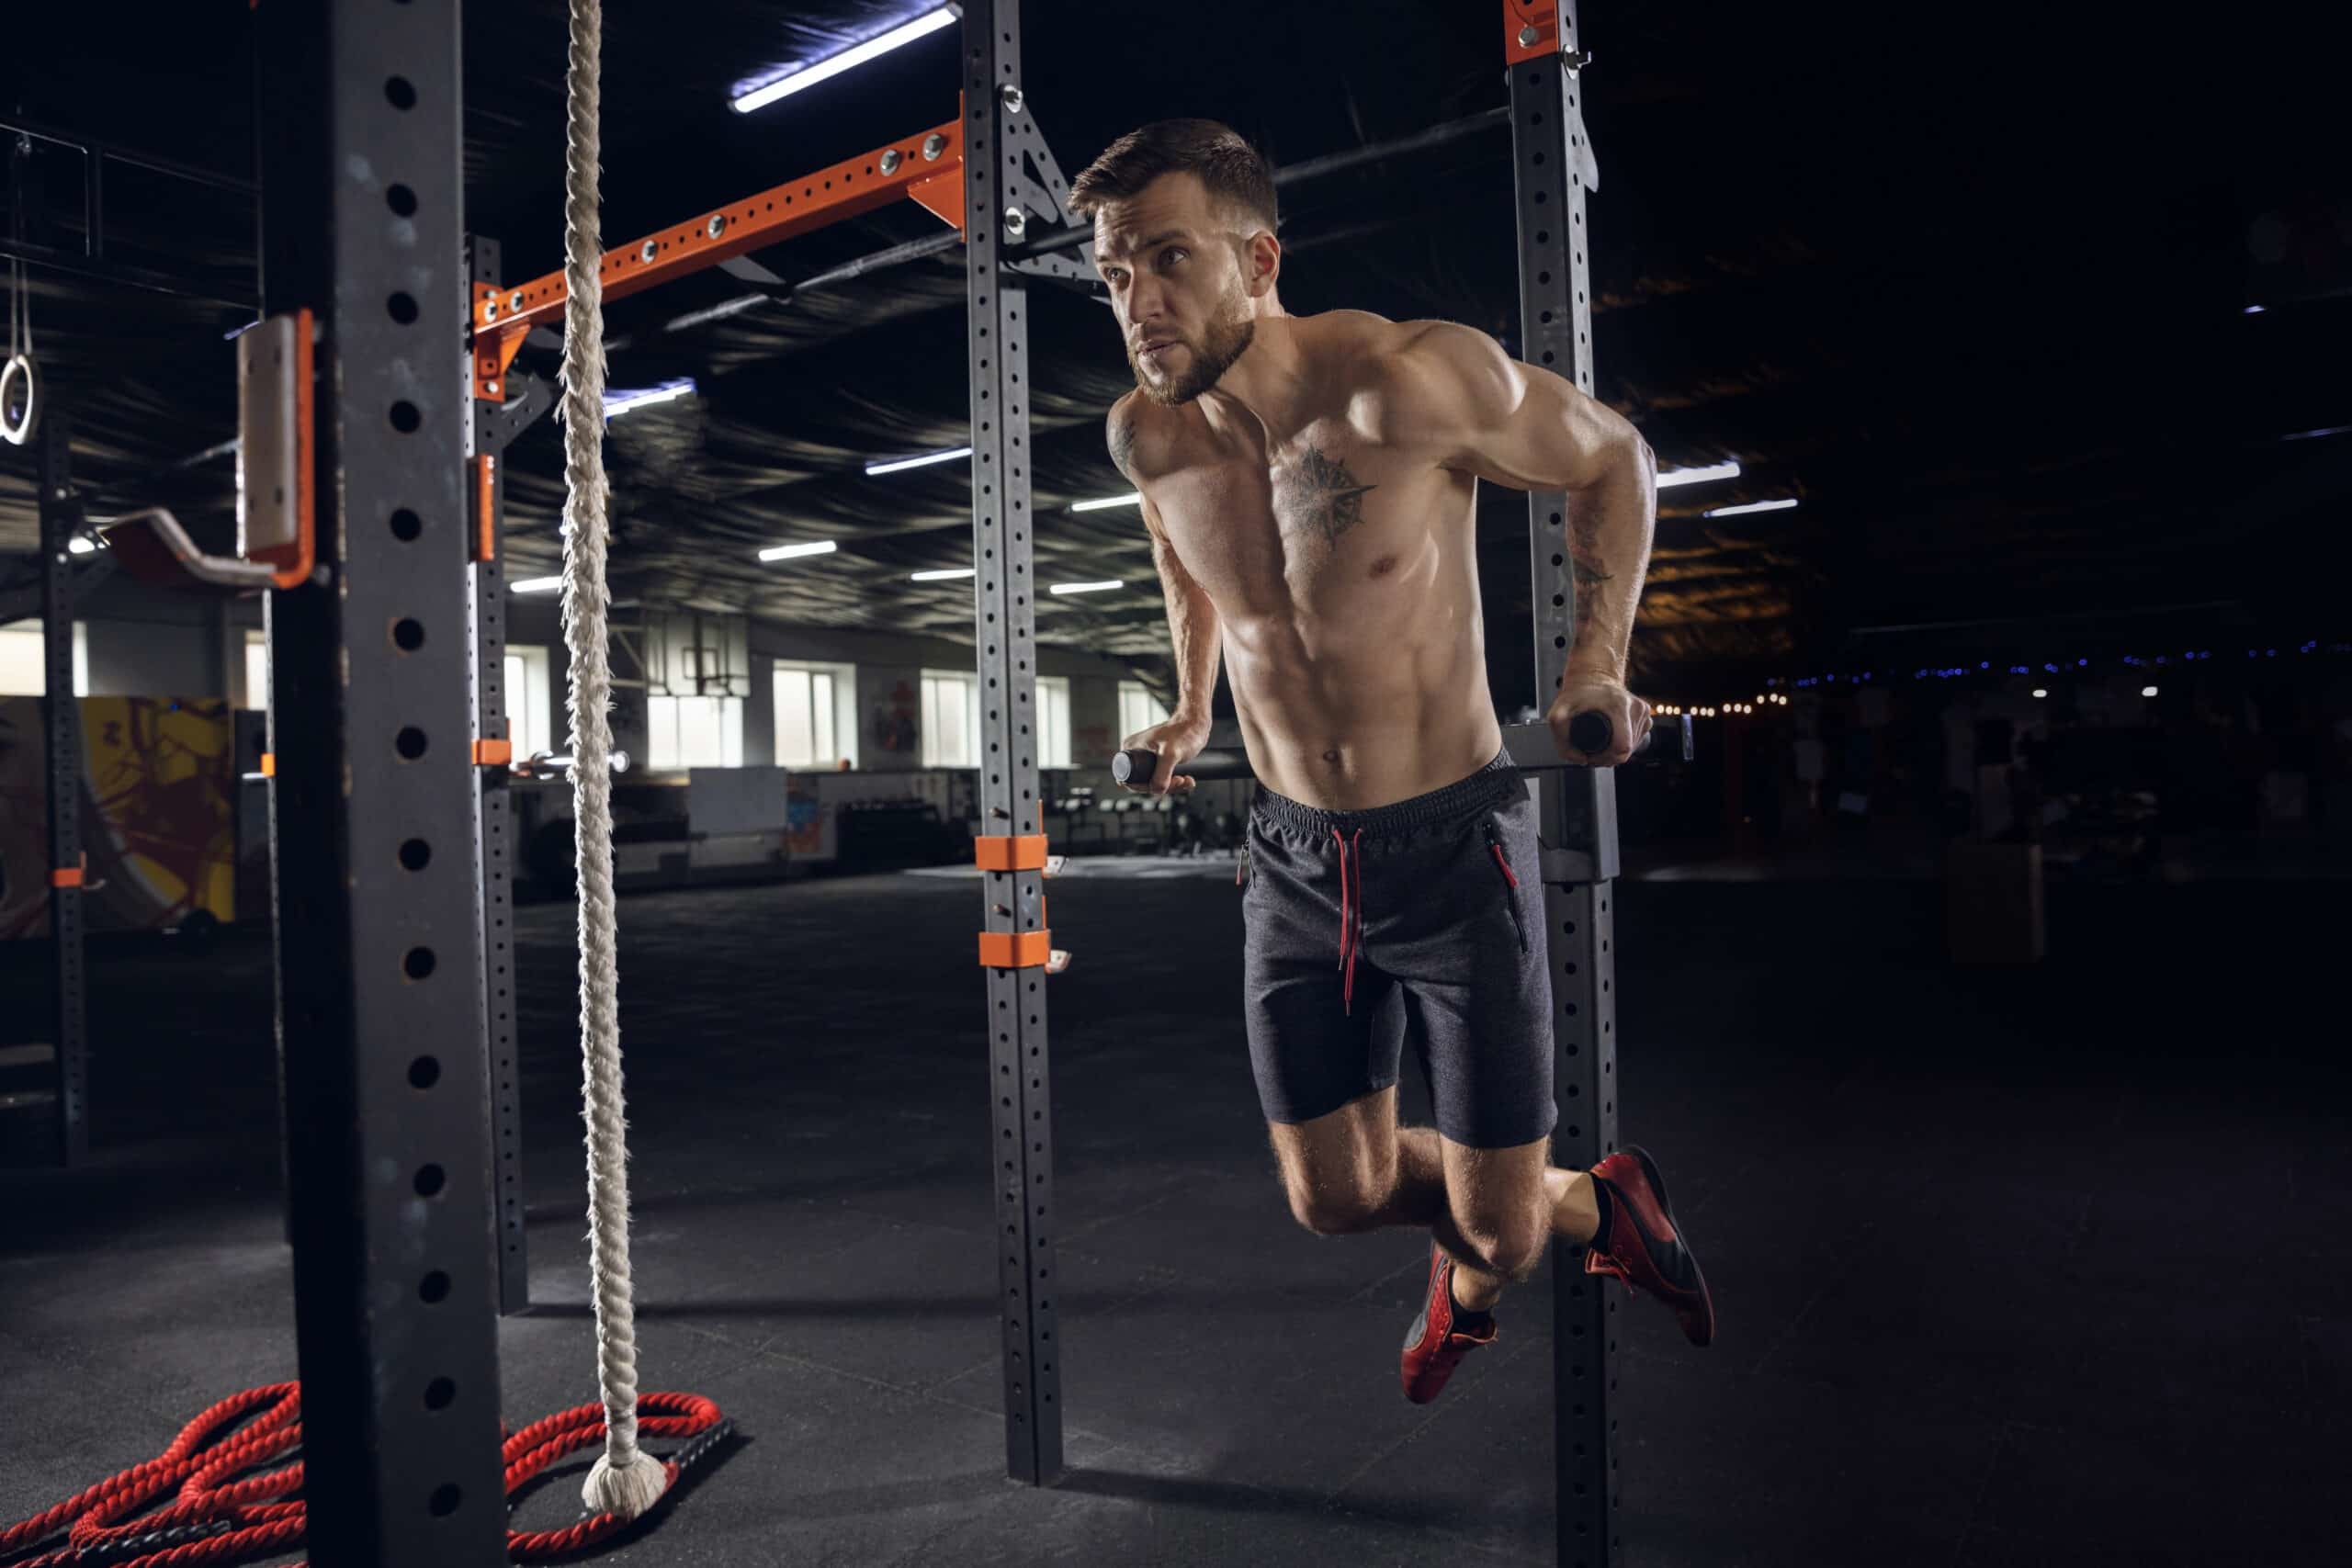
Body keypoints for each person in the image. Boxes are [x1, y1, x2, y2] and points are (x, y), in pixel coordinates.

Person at [1074, 119, 1714, 1404]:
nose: (1138, 302)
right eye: (1114, 275)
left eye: (1169, 260)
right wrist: (1191, 707)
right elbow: (1181, 559)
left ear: (1260, 262)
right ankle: (1587, 1206)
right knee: (1335, 1199)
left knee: (1505, 1233)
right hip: (1293, 857)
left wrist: (1596, 664)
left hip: (1453, 846)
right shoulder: (1149, 436)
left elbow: (1613, 459)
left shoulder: (1404, 384)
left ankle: (1541, 1231)